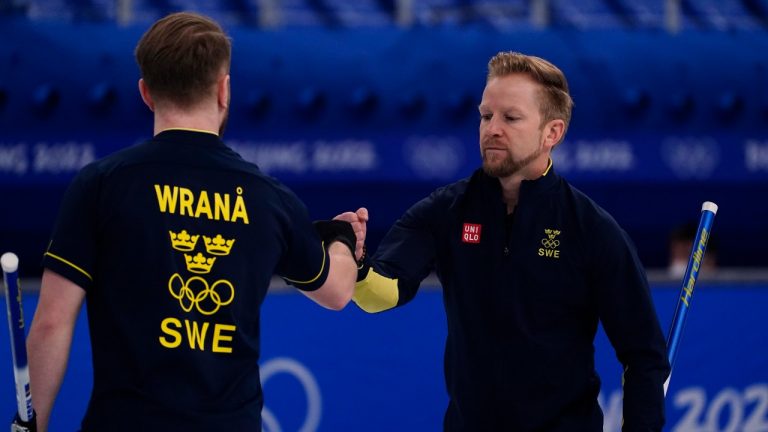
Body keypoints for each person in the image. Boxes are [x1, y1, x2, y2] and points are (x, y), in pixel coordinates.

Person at [25, 12, 360, 432]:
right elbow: (337, 291)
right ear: (224, 90)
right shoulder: (268, 198)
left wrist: (32, 423)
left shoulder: (102, 184)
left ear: (146, 93)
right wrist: (343, 238)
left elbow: (53, 320)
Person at [339, 52, 671, 431]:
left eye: (510, 118)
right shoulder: (446, 210)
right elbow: (381, 293)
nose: (492, 129)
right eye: (485, 116)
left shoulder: (593, 229)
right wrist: (358, 265)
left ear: (553, 133)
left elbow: (644, 356)